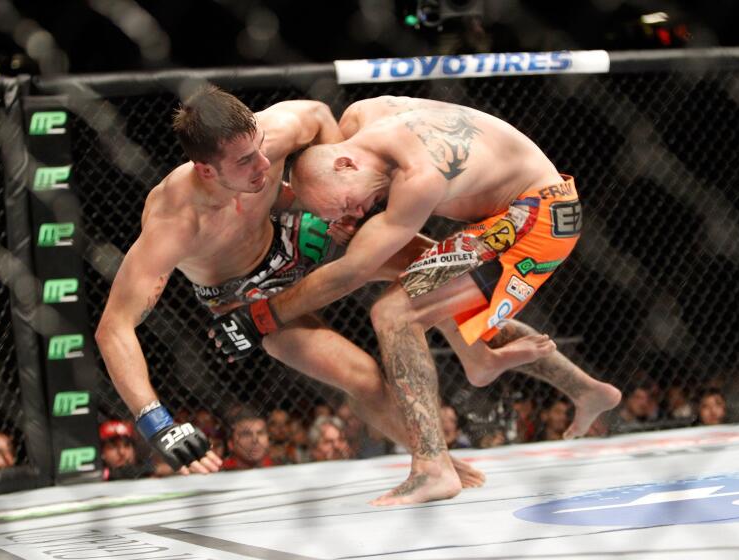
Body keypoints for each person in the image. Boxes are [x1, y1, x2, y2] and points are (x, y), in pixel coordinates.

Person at [211, 95, 622, 505]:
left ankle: (433, 467)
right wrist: (343, 217)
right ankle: (584, 390)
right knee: (436, 295)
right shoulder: (360, 120)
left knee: (395, 311)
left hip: (538, 215)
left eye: (343, 206)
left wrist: (258, 318)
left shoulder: (418, 174)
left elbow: (352, 271)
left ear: (346, 164)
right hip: (510, 211)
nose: (348, 214)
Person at [96, 86, 486, 486]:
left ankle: (481, 354)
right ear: (206, 170)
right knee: (363, 376)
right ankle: (434, 460)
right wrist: (157, 423)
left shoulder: (275, 131)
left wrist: (337, 192)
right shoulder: (176, 222)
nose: (264, 164)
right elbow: (114, 327)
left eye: (260, 148)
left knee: (436, 264)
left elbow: (318, 113)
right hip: (245, 296)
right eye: (245, 161)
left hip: (293, 235)